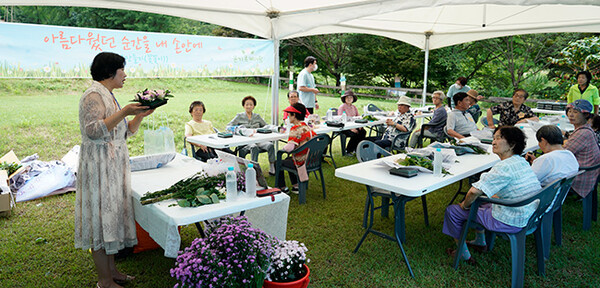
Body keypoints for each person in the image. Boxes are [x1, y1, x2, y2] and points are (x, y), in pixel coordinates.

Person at [75, 52, 154, 288]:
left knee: (111, 217)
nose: (126, 75)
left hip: (113, 162)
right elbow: (93, 130)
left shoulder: (109, 95)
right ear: (110, 71)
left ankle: (113, 272)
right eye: (122, 70)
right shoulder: (92, 94)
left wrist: (138, 116)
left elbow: (124, 132)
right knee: (101, 220)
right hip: (99, 164)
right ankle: (104, 281)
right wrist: (125, 111)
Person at [443, 126, 541, 264]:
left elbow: (473, 192)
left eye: (499, 138)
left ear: (512, 144)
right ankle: (480, 242)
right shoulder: (521, 161)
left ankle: (462, 254)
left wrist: (464, 206)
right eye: (493, 138)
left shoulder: (503, 167)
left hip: (510, 220)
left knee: (453, 211)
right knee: (482, 202)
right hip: (528, 214)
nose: (493, 142)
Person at [228, 95, 276, 174]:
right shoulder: (239, 116)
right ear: (243, 106)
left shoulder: (257, 116)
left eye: (251, 104)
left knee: (270, 145)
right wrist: (240, 130)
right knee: (254, 147)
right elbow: (229, 126)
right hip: (246, 142)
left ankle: (272, 166)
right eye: (247, 104)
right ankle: (254, 168)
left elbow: (265, 126)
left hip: (258, 139)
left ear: (254, 106)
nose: (249, 106)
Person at [277, 102, 317, 194]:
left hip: (301, 161)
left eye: (289, 114)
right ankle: (296, 186)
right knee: (288, 159)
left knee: (277, 162)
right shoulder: (308, 127)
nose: (288, 116)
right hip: (312, 160)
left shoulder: (295, 129)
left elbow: (289, 148)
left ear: (294, 115)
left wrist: (283, 148)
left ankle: (282, 188)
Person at [564, 99, 600, 198]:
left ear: (586, 115)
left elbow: (561, 154)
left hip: (581, 177)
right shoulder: (587, 129)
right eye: (569, 111)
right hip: (590, 174)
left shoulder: (582, 133)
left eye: (575, 112)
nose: (571, 115)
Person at [337, 90, 366, 155]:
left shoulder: (354, 107)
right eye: (347, 97)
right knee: (354, 134)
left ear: (353, 99)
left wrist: (360, 126)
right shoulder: (342, 107)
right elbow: (341, 119)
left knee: (363, 132)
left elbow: (358, 117)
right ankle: (348, 150)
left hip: (354, 125)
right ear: (344, 99)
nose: (349, 99)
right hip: (344, 127)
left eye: (351, 97)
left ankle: (357, 148)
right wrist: (351, 129)